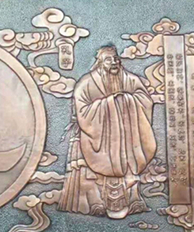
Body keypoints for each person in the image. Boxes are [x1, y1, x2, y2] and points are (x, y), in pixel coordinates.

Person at [58, 45, 157, 218]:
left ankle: (133, 199)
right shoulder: (86, 83)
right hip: (97, 138)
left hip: (127, 138)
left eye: (116, 58)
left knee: (129, 165)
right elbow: (82, 111)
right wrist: (110, 103)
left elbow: (144, 99)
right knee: (91, 172)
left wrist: (126, 100)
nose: (114, 62)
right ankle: (96, 202)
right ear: (100, 63)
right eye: (108, 60)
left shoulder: (129, 79)